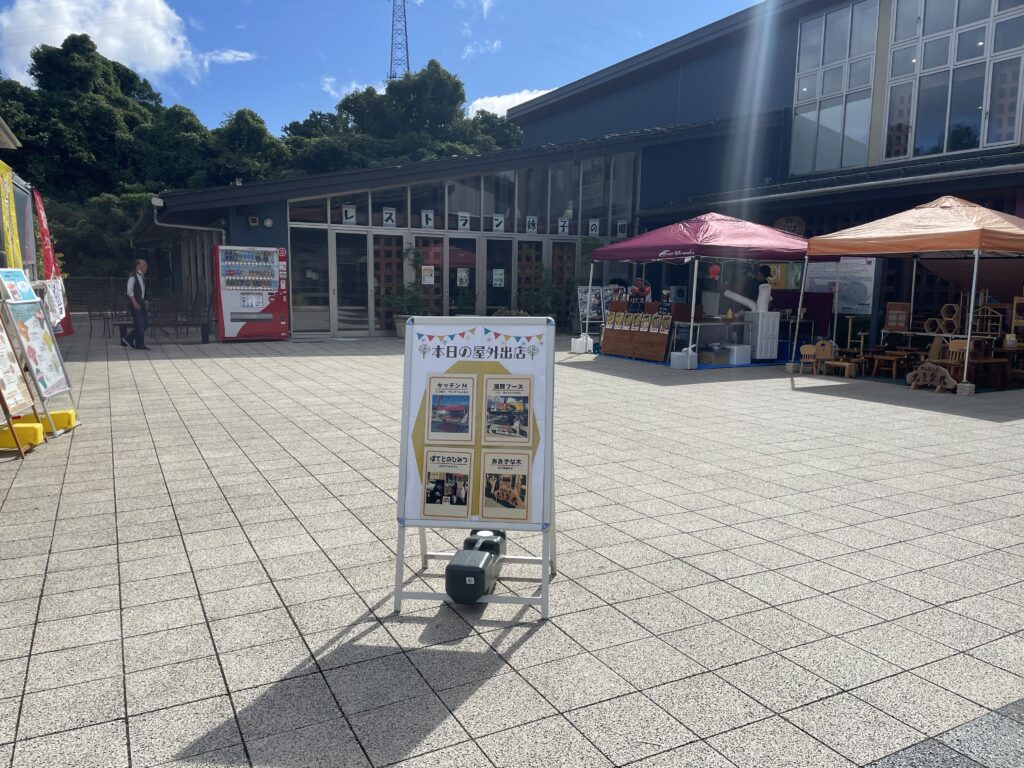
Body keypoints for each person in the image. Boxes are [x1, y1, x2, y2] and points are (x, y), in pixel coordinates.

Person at [122, 259, 150, 350]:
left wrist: (145, 301)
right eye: (144, 265)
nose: (146, 267)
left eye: (146, 266)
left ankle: (129, 338)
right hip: (135, 304)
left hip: (141, 303)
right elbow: (129, 291)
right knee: (140, 324)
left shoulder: (142, 276)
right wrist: (134, 303)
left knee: (145, 323)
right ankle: (140, 344)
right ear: (138, 266)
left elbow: (143, 291)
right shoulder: (132, 276)